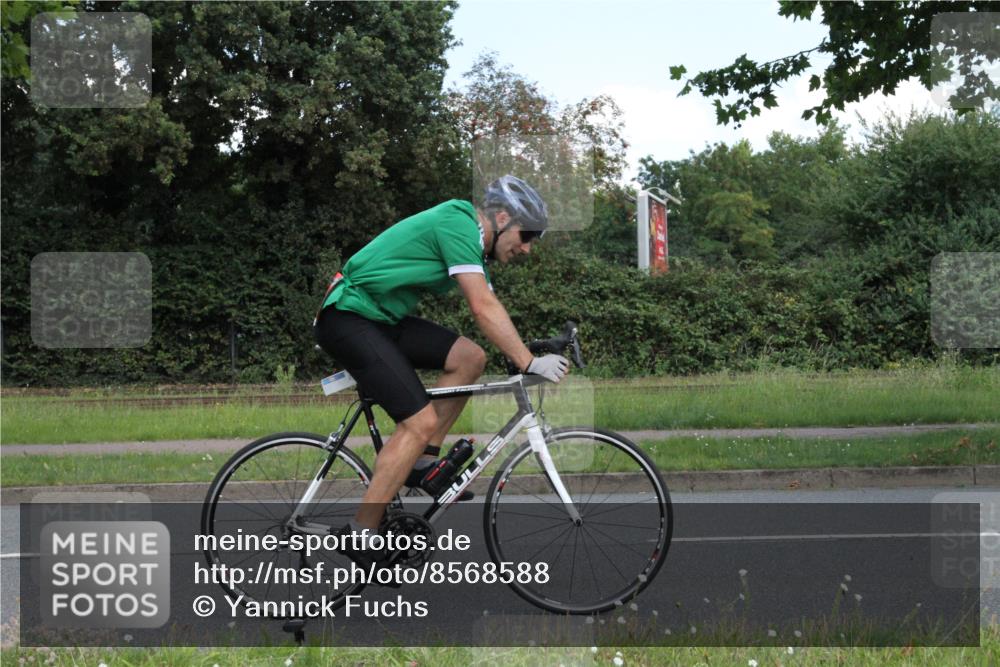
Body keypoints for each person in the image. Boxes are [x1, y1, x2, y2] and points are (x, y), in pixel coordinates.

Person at [314, 175, 570, 564]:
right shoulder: (458, 224)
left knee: (470, 358)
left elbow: (494, 314)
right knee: (418, 423)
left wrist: (528, 349)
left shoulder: (471, 243)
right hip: (349, 316)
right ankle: (361, 534)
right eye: (528, 234)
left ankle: (422, 464)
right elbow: (482, 307)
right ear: (502, 217)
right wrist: (529, 362)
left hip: (380, 318)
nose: (528, 248)